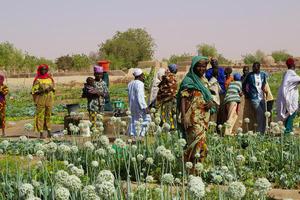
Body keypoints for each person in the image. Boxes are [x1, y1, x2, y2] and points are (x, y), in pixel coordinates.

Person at [177, 56, 215, 162]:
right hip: (192, 118)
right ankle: (191, 167)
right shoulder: (189, 80)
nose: (201, 69)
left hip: (203, 118)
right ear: (193, 67)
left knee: (201, 143)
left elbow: (208, 96)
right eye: (199, 66)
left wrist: (211, 102)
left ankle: (198, 169)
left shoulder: (203, 80)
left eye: (204, 66)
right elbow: (183, 98)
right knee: (196, 143)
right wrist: (184, 117)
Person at [276, 58, 300, 134]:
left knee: (289, 114)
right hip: (289, 98)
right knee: (292, 113)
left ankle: (287, 131)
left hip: (285, 98)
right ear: (293, 65)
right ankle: (288, 132)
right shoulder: (290, 74)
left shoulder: (287, 74)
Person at [243, 62, 267, 133]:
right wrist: (246, 93)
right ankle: (259, 132)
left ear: (259, 68)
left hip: (262, 97)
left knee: (265, 114)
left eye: (255, 68)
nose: (253, 69)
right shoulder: (249, 75)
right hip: (254, 97)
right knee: (260, 113)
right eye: (253, 67)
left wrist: (264, 91)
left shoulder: (263, 75)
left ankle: (263, 131)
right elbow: (244, 84)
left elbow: (264, 83)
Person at [31, 64, 55, 138]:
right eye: (42, 69)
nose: (43, 71)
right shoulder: (38, 80)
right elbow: (33, 91)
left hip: (49, 99)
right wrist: (43, 90)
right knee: (40, 116)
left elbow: (54, 88)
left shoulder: (50, 79)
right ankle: (41, 133)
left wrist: (51, 89)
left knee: (48, 115)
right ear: (39, 70)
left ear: (47, 70)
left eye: (45, 69)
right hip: (41, 99)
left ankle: (49, 131)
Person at [128, 68, 150, 136]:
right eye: (143, 75)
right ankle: (142, 134)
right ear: (140, 76)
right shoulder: (140, 84)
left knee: (134, 119)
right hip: (139, 106)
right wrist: (145, 107)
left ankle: (132, 133)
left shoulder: (130, 84)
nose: (143, 77)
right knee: (147, 119)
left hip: (132, 106)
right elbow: (140, 96)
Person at [156, 64, 178, 129]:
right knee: (171, 113)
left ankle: (168, 128)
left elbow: (166, 89)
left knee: (166, 114)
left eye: (167, 69)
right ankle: (172, 126)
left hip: (167, 99)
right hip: (172, 98)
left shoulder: (168, 77)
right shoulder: (174, 77)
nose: (166, 70)